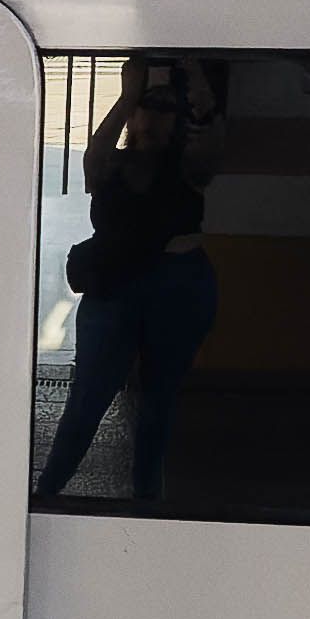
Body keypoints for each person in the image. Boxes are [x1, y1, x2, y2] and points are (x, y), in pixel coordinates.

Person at [40, 59, 221, 502]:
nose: (157, 114)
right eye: (149, 106)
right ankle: (45, 495)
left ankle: (146, 500)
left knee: (158, 402)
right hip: (116, 284)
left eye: (166, 108)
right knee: (88, 397)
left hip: (177, 284)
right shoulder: (110, 164)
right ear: (134, 114)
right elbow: (96, 153)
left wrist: (195, 82)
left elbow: (211, 142)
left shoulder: (189, 166)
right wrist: (126, 95)